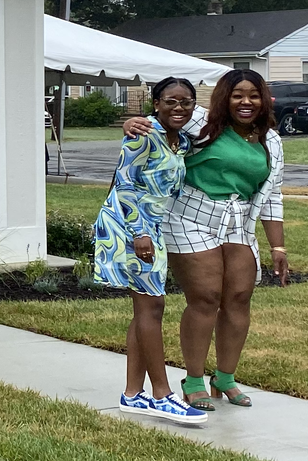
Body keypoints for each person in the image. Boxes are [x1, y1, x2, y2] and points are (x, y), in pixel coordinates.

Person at [126, 68, 289, 411]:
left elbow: (273, 195)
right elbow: (165, 117)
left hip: (239, 222)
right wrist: (133, 122)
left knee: (239, 298)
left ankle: (224, 378)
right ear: (224, 99)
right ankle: (194, 380)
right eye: (237, 95)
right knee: (205, 297)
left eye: (253, 95)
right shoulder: (201, 122)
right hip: (190, 217)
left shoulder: (271, 140)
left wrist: (278, 246)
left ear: (264, 100)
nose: (246, 102)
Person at [93, 77, 205, 426]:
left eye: (186, 102)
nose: (179, 108)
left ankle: (132, 394)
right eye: (171, 101)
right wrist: (139, 232)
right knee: (152, 306)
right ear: (156, 103)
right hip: (130, 226)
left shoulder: (180, 140)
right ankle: (161, 395)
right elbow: (124, 183)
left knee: (145, 307)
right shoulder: (143, 135)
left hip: (151, 226)